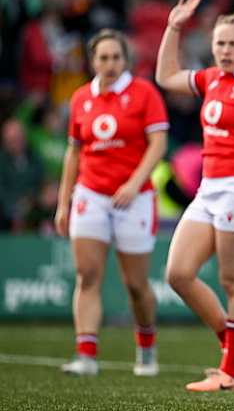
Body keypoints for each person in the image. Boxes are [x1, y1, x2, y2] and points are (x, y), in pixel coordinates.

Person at [155, 0, 234, 392]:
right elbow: (165, 77)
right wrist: (174, 27)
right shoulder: (213, 79)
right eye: (219, 43)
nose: (225, 50)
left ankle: (232, 374)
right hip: (210, 188)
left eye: (232, 44)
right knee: (177, 273)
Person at [55, 29, 168, 376]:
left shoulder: (143, 93)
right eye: (103, 58)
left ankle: (146, 346)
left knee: (136, 285)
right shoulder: (79, 99)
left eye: (116, 57)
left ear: (125, 60)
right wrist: (64, 202)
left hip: (133, 199)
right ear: (93, 61)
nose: (110, 64)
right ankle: (86, 355)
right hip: (90, 194)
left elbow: (158, 143)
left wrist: (134, 184)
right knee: (87, 275)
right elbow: (74, 152)